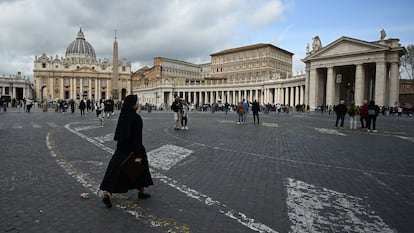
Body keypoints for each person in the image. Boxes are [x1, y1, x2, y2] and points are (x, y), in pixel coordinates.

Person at [100, 95, 153, 208]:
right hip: (134, 149)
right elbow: (137, 138)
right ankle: (142, 192)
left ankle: (108, 194)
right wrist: (138, 155)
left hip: (121, 149)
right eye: (136, 102)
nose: (138, 104)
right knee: (141, 170)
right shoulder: (136, 118)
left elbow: (120, 134)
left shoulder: (123, 116)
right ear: (132, 104)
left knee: (115, 173)